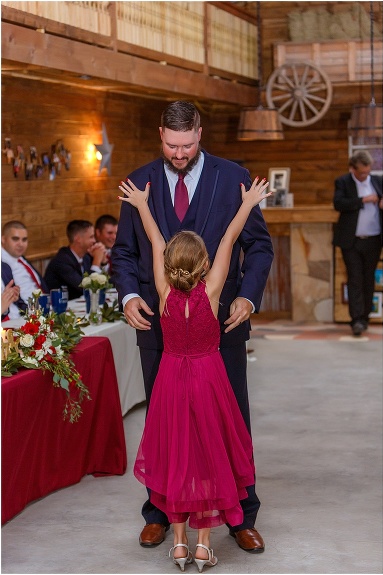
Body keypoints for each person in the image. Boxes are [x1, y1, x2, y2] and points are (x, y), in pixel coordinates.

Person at [112, 101, 274, 553]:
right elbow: (125, 252)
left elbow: (257, 245)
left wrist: (247, 296)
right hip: (157, 326)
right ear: (160, 133)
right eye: (171, 144)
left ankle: (241, 515)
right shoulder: (138, 182)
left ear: (199, 133)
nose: (179, 153)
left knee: (229, 421)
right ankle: (160, 512)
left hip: (220, 324)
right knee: (165, 424)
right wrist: (128, 297)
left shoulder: (233, 175)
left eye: (187, 145)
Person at [332, 151, 383, 336]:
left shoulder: (377, 181)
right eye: (361, 173)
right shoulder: (343, 182)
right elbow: (338, 203)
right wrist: (363, 200)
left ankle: (366, 316)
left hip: (374, 238)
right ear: (352, 169)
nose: (365, 176)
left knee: (369, 279)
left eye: (367, 172)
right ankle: (356, 320)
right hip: (351, 240)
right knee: (354, 279)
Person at [43, 219, 106, 299]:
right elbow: (84, 288)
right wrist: (96, 261)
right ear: (78, 239)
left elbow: (105, 284)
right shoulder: (62, 261)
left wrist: (103, 262)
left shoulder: (86, 257)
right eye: (91, 237)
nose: (94, 241)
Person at [1, 220, 46, 307]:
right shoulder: (3, 265)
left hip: (43, 306)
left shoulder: (21, 258)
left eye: (24, 239)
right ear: (3, 239)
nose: (21, 244)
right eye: (15, 239)